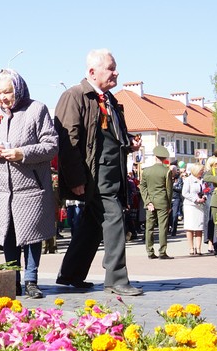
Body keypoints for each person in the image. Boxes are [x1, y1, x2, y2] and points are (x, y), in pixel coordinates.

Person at [54, 49, 143, 296]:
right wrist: (75, 179)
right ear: (92, 71)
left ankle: (70, 274)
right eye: (111, 68)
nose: (117, 72)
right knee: (114, 219)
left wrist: (128, 143)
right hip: (94, 175)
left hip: (113, 173)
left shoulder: (110, 99)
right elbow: (67, 141)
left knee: (92, 224)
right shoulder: (74, 96)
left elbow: (111, 135)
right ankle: (116, 278)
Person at [0, 68, 57, 299]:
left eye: (7, 92)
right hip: (1, 189)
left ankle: (31, 280)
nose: (3, 97)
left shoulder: (37, 110)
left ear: (18, 89)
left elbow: (51, 145)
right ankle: (13, 279)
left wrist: (22, 153)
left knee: (31, 235)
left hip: (30, 187)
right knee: (7, 234)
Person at [139, 145, 173, 259]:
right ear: (164, 158)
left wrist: (147, 201)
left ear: (155, 156)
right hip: (162, 201)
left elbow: (142, 187)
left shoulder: (146, 171)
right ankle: (162, 252)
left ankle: (149, 251)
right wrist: (169, 204)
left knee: (149, 227)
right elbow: (169, 190)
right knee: (163, 227)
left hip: (150, 203)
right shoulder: (167, 171)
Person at [182, 163, 206, 255]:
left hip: (200, 206)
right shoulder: (188, 180)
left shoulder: (203, 180)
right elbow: (185, 193)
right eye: (201, 170)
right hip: (190, 206)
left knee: (199, 227)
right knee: (190, 227)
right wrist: (195, 199)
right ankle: (191, 248)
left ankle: (199, 248)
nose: (202, 172)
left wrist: (204, 197)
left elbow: (205, 190)